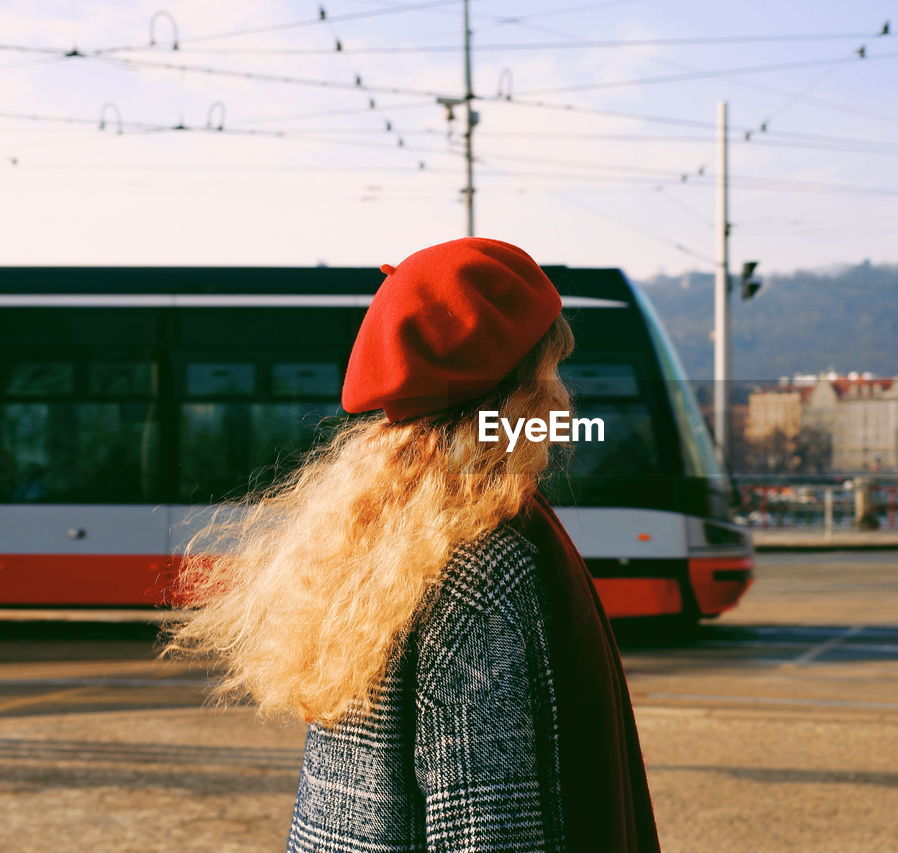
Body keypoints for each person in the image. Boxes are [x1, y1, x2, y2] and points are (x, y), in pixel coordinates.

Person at [162, 238, 661, 853]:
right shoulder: (482, 559)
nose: (563, 397)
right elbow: (483, 824)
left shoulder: (382, 530)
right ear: (513, 392)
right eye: (551, 370)